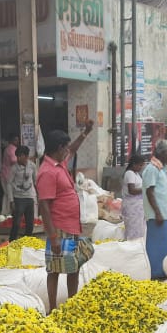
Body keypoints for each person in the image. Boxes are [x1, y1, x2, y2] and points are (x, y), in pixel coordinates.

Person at [36, 122, 95, 311]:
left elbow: (73, 148)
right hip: (59, 228)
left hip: (71, 226)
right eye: (64, 149)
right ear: (58, 148)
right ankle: (52, 308)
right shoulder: (47, 171)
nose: (67, 152)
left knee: (73, 266)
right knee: (54, 269)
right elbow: (44, 205)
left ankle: (72, 303)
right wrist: (52, 236)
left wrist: (85, 133)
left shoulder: (59, 163)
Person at [141, 140, 167, 280]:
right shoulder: (152, 169)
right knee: (157, 246)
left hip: (166, 214)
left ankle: (163, 271)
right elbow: (150, 192)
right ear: (161, 153)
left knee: (166, 245)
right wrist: (158, 213)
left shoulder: (162, 168)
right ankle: (155, 272)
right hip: (158, 215)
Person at [8, 145, 37, 241]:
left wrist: (39, 197)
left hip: (29, 197)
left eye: (20, 156)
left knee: (30, 224)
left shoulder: (32, 166)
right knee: (16, 223)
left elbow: (36, 182)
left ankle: (26, 242)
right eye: (17, 156)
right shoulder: (14, 168)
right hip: (18, 198)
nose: (18, 158)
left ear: (26, 156)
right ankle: (12, 242)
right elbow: (9, 184)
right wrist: (11, 201)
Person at [120, 154, 147, 241]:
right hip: (132, 207)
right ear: (134, 164)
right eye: (140, 165)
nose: (141, 167)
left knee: (139, 229)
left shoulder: (136, 174)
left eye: (142, 165)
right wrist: (145, 189)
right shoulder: (129, 173)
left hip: (138, 207)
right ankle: (132, 247)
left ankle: (137, 246)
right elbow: (132, 190)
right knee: (133, 229)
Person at [0, 133, 19, 217]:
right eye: (15, 140)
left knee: (7, 194)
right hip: (8, 175)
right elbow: (13, 160)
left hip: (5, 174)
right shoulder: (12, 148)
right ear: (11, 140)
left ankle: (5, 212)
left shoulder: (8, 148)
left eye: (18, 140)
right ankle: (8, 213)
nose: (17, 141)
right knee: (9, 195)